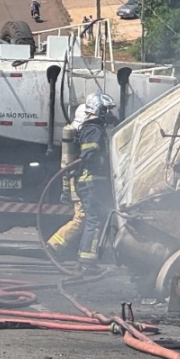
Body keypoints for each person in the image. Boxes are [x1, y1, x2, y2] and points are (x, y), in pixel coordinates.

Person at [76, 92, 117, 267]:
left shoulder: (94, 128)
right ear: (99, 109)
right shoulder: (93, 130)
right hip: (92, 182)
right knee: (95, 221)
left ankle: (83, 259)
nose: (109, 114)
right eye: (107, 110)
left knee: (94, 219)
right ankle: (87, 261)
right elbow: (89, 155)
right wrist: (105, 162)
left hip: (92, 182)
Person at [46, 104, 88, 260]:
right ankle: (53, 245)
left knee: (84, 218)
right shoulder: (79, 134)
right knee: (82, 218)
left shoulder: (73, 132)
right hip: (79, 182)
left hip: (75, 181)